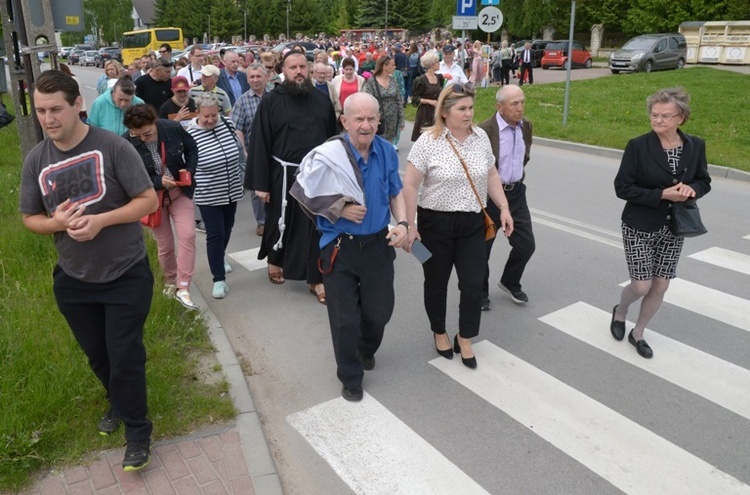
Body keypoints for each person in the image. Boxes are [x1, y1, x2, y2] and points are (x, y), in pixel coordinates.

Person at [19, 70, 158, 471]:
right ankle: (118, 399)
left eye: (56, 109)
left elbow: (147, 200)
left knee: (124, 353)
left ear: (78, 104)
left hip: (125, 271)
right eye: (41, 111)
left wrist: (101, 221)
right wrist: (58, 224)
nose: (48, 119)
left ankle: (137, 432)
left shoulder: (113, 147)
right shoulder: (36, 160)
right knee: (98, 355)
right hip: (74, 277)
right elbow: (30, 217)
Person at [291, 93, 409, 402]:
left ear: (379, 120)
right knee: (345, 319)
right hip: (339, 247)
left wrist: (404, 224)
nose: (366, 125)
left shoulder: (386, 151)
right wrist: (338, 209)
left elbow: (396, 193)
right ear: (345, 121)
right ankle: (350, 376)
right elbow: (303, 190)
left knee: (380, 311)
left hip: (377, 246)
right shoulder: (329, 155)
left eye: (372, 118)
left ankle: (366, 348)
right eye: (359, 119)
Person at [403, 83, 514, 369]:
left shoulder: (480, 138)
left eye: (470, 108)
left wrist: (503, 207)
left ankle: (465, 336)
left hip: (472, 222)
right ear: (444, 112)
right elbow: (411, 185)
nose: (468, 114)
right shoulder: (428, 142)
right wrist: (411, 225)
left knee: (473, 282)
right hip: (435, 223)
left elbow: (490, 174)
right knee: (437, 282)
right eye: (461, 109)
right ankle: (439, 331)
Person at [611, 88, 711, 358]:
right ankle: (620, 312)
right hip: (639, 225)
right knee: (641, 284)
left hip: (674, 227)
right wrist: (661, 195)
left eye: (665, 116)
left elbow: (704, 181)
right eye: (654, 115)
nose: (657, 120)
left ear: (681, 117)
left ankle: (639, 332)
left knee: (661, 285)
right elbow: (622, 188)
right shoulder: (638, 146)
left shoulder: (695, 145)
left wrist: (692, 190)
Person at [247, 49, 337, 301]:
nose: (298, 71)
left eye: (302, 67)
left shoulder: (321, 100)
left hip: (316, 176)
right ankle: (274, 260)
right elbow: (260, 143)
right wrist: (260, 184)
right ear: (283, 72)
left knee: (315, 226)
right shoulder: (272, 101)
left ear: (309, 70)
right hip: (282, 173)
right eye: (292, 67)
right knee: (279, 219)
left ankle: (316, 278)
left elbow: (332, 138)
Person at [124, 104, 199, 309]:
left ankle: (183, 287)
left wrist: (189, 170)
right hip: (152, 200)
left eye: (147, 134)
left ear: (154, 123)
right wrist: (158, 181)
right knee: (165, 245)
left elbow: (192, 148)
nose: (142, 139)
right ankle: (170, 281)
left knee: (188, 235)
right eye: (136, 135)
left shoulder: (171, 128)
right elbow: (129, 177)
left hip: (179, 193)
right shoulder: (126, 143)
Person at [479, 85, 534, 310]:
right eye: (514, 104)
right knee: (482, 248)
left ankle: (510, 281)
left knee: (526, 244)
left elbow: (524, 156)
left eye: (522, 102)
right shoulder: (484, 131)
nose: (520, 108)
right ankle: (480, 293)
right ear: (499, 107)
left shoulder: (526, 127)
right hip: (489, 196)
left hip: (516, 194)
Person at [186, 93, 244, 299]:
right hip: (208, 192)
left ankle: (219, 257)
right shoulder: (189, 133)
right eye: (206, 117)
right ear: (198, 113)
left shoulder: (227, 123)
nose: (211, 120)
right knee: (215, 233)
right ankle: (218, 279)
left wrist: (243, 174)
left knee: (228, 228)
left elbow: (239, 149)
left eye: (214, 116)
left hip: (232, 189)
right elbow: (186, 164)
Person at [231, 62, 270, 236]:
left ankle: (277, 219)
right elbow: (238, 128)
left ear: (266, 77)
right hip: (254, 153)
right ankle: (262, 222)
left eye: (258, 76)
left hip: (276, 150)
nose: (255, 80)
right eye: (252, 77)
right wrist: (245, 151)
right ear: (247, 80)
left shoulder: (275, 96)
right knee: (257, 189)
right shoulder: (242, 102)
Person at [364, 55, 404, 150]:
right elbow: (369, 102)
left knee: (388, 145)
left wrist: (401, 119)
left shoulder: (393, 80)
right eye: (392, 65)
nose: (394, 67)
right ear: (384, 66)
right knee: (377, 144)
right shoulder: (372, 81)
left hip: (393, 118)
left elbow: (399, 100)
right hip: (378, 118)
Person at [410, 52, 444, 142]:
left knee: (438, 138)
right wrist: (430, 101)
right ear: (431, 64)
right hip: (425, 112)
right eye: (437, 62)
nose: (439, 63)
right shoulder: (420, 80)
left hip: (437, 111)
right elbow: (414, 99)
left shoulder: (440, 78)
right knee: (425, 139)